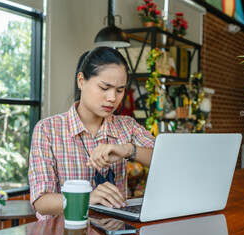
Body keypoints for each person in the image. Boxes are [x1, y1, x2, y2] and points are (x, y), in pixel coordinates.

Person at [28, 47, 155, 220]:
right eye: (105, 87)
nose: (112, 98)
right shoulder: (48, 130)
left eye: (119, 90)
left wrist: (129, 150)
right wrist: (86, 199)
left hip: (115, 233)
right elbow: (41, 202)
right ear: (81, 81)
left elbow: (168, 160)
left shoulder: (127, 126)